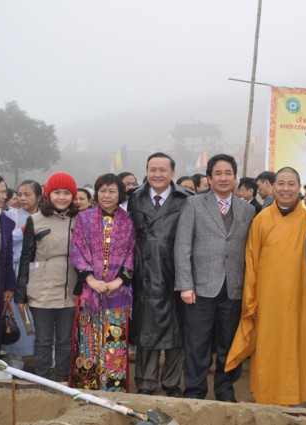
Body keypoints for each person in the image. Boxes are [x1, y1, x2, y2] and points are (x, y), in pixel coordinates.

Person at [226, 167, 306, 406]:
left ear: (299, 187)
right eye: (281, 183)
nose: (286, 189)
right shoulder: (261, 219)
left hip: (300, 297)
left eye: (291, 184)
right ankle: (265, 397)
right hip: (267, 298)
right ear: (273, 187)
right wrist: (251, 301)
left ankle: (294, 398)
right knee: (267, 346)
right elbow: (251, 263)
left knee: (295, 347)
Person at [174, 154, 254, 401]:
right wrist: (185, 285)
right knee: (197, 344)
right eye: (218, 173)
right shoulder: (194, 204)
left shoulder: (248, 209)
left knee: (229, 345)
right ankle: (195, 390)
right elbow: (182, 246)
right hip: (200, 289)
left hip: (234, 289)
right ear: (209, 178)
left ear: (235, 177)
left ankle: (225, 390)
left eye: (228, 173)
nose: (223, 178)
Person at [127, 152, 191, 397]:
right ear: (146, 171)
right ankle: (145, 382)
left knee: (176, 332)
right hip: (143, 274)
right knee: (146, 331)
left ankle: (172, 383)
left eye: (162, 170)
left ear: (172, 172)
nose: (157, 174)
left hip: (175, 272)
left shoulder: (186, 199)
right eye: (152, 169)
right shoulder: (135, 198)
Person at [70, 173, 136, 392]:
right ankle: (87, 389)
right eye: (103, 191)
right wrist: (91, 280)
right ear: (96, 193)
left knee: (114, 343)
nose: (107, 195)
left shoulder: (128, 221)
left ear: (120, 194)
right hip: (89, 292)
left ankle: (113, 390)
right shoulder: (84, 218)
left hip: (117, 294)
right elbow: (77, 250)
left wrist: (117, 282)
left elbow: (131, 254)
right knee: (87, 343)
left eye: (112, 191)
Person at [15, 173, 79, 382]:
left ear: (73, 195)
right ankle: (42, 380)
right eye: (57, 192)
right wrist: (20, 293)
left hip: (70, 287)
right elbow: (26, 257)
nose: (62, 197)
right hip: (41, 287)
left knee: (65, 340)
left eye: (66, 193)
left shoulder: (80, 219)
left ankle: (62, 379)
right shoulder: (35, 220)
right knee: (43, 340)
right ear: (48, 194)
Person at [3, 180, 42, 369]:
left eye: (27, 194)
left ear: (39, 197)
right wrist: (25, 229)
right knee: (17, 316)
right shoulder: (11, 215)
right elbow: (5, 239)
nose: (22, 198)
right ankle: (15, 361)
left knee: (41, 318)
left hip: (40, 272)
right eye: (20, 194)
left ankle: (46, 361)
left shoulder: (46, 216)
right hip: (17, 271)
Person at [0, 174, 16, 360]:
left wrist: (8, 287)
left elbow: (7, 259)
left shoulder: (4, 222)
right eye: (1, 192)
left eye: (6, 192)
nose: (5, 196)